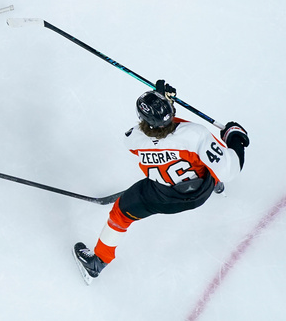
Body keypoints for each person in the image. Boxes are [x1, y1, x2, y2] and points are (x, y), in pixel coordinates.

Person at [73, 81, 248, 284]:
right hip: (202, 189)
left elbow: (158, 134)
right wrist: (235, 138)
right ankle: (215, 180)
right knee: (206, 155)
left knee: (120, 213)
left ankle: (98, 262)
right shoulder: (195, 135)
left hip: (161, 197)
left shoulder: (133, 140)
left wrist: (164, 102)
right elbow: (231, 168)